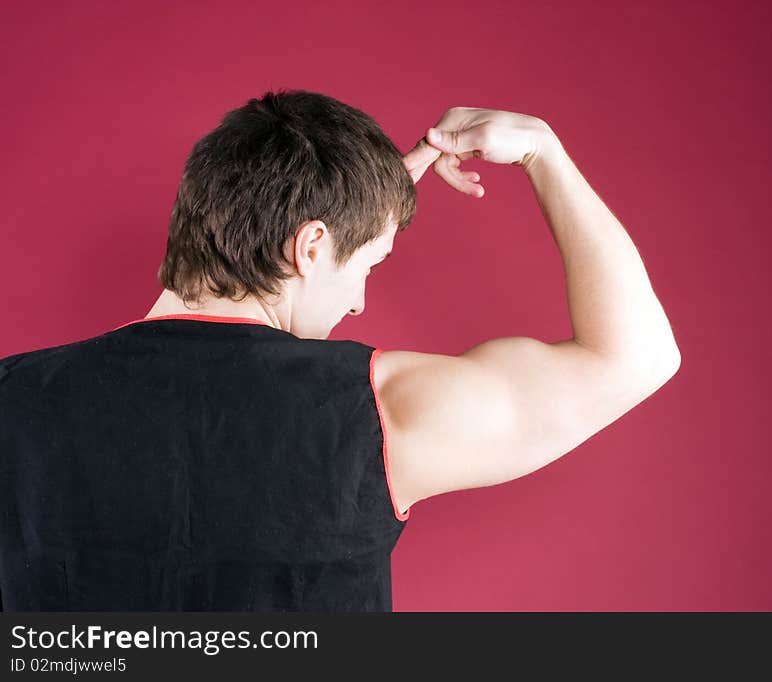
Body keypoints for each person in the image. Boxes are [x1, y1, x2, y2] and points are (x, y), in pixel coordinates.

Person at [0, 91, 680, 612]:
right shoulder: (381, 411)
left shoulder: (14, 399)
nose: (357, 300)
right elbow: (635, 359)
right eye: (368, 266)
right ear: (311, 246)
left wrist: (369, 214)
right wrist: (542, 151)